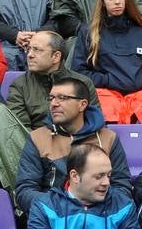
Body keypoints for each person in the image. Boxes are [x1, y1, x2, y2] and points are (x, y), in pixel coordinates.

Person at [15, 73, 131, 213]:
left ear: (82, 105)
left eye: (62, 98)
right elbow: (25, 191)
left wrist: (91, 209)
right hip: (53, 220)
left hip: (99, 220)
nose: (54, 104)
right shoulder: (38, 138)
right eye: (51, 98)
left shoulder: (108, 138)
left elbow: (122, 187)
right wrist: (65, 207)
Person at [6, 31, 101, 131]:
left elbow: (94, 125)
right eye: (28, 49)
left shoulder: (83, 83)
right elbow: (20, 131)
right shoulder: (20, 85)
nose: (30, 55)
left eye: (37, 50)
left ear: (56, 56)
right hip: (37, 143)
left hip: (76, 143)